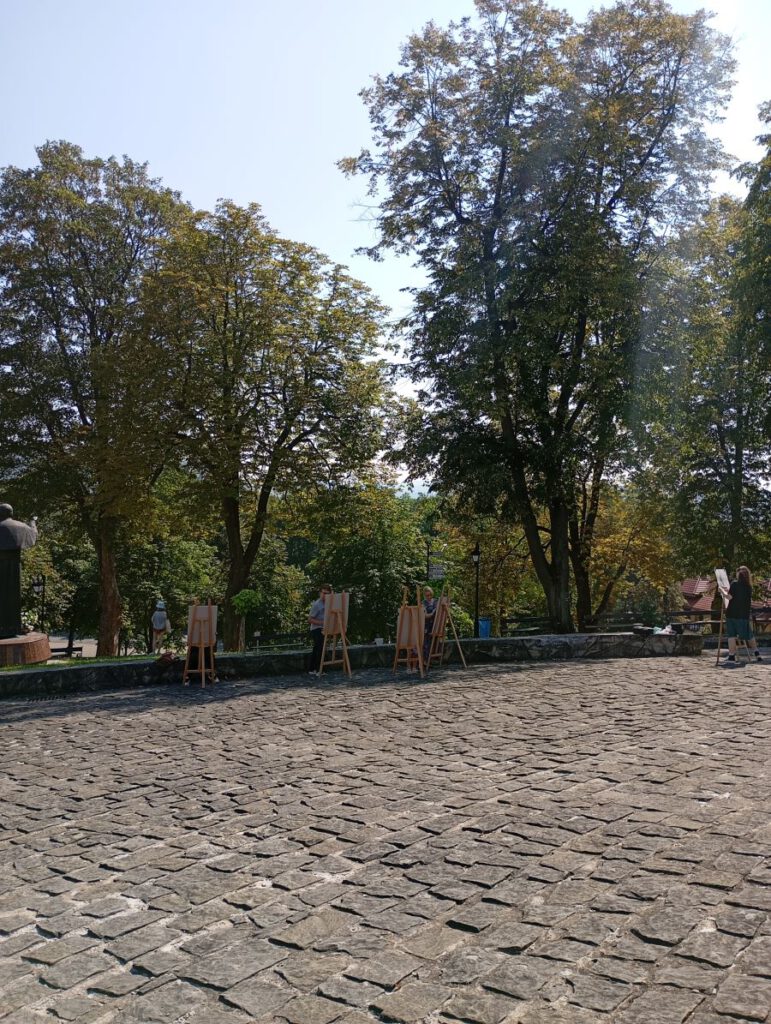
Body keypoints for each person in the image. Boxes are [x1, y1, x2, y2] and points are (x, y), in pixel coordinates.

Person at [0, 504, 38, 638]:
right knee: (13, 595)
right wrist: (33, 522)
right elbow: (33, 535)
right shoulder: (21, 527)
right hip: (15, 565)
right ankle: (14, 627)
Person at [719, 565, 762, 665]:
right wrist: (728, 590)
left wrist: (722, 591)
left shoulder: (735, 584)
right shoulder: (748, 587)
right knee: (749, 635)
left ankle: (731, 656)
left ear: (739, 574)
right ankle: (757, 654)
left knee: (732, 635)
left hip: (732, 613)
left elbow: (729, 597)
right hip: (743, 615)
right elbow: (739, 596)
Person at [307, 584, 332, 674]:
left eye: (327, 593)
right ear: (320, 593)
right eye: (323, 593)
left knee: (317, 648)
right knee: (320, 648)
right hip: (316, 628)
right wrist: (322, 623)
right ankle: (319, 669)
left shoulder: (329, 603)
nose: (325, 595)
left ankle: (311, 669)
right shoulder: (317, 604)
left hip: (324, 628)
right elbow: (310, 619)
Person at [422, 586, 438, 662]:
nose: (428, 597)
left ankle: (432, 659)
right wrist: (432, 613)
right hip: (427, 625)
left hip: (435, 625)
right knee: (426, 639)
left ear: (432, 594)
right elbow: (425, 616)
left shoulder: (435, 601)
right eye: (427, 595)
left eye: (430, 595)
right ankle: (427, 659)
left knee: (435, 641)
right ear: (424, 595)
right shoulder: (423, 603)